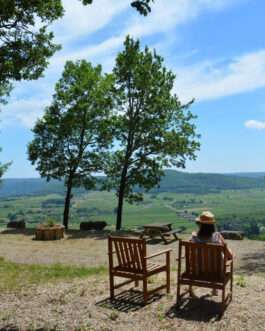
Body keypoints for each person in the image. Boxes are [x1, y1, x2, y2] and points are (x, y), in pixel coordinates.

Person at [189, 211, 233, 296]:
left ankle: (190, 288)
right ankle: (214, 289)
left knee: (203, 260)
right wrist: (231, 253)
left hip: (197, 271)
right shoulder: (217, 236)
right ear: (212, 225)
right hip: (216, 273)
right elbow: (229, 256)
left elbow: (191, 257)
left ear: (200, 224)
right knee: (215, 261)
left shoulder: (194, 237)